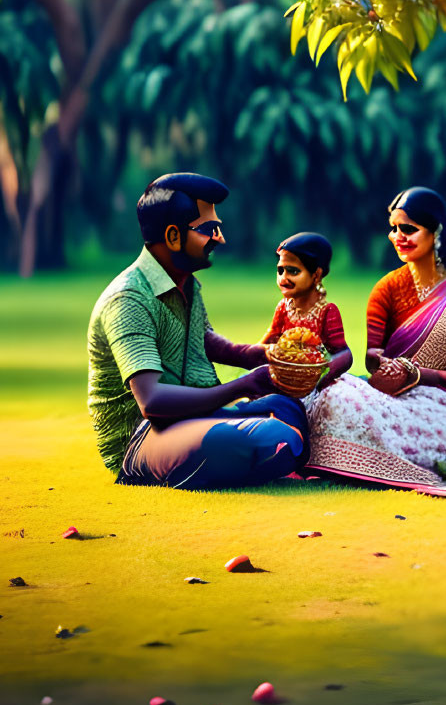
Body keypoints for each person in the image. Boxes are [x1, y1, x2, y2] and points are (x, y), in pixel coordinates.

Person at [88, 173, 309, 488]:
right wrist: (243, 386)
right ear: (173, 236)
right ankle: (235, 457)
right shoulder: (128, 299)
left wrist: (268, 357)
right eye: (208, 229)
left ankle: (254, 454)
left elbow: (206, 341)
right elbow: (152, 403)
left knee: (286, 407)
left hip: (193, 416)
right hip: (142, 436)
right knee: (251, 439)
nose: (219, 239)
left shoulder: (185, 283)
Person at [303, 188, 446, 486]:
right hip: (393, 399)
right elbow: (374, 358)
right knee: (334, 392)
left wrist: (422, 374)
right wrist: (380, 363)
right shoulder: (387, 288)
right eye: (393, 229)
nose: (398, 236)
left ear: (437, 231)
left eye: (408, 229)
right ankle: (368, 458)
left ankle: (381, 459)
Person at [258, 232, 352, 393]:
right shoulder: (283, 307)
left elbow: (344, 355)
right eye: (280, 271)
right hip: (285, 378)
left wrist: (321, 376)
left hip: (317, 384)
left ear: (316, 275)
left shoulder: (326, 311)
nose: (283, 278)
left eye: (293, 271)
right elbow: (269, 340)